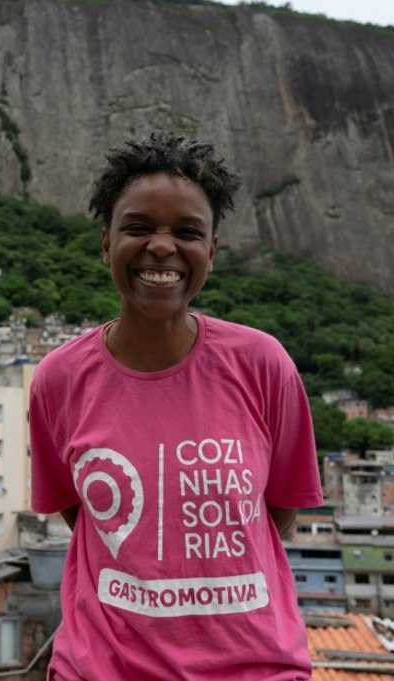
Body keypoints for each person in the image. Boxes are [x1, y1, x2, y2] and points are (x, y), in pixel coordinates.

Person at [29, 133, 322, 680]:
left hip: (254, 667)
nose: (161, 247)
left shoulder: (263, 364)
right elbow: (84, 513)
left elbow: (277, 511)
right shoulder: (59, 380)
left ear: (211, 250)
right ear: (106, 243)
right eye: (138, 227)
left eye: (186, 232)